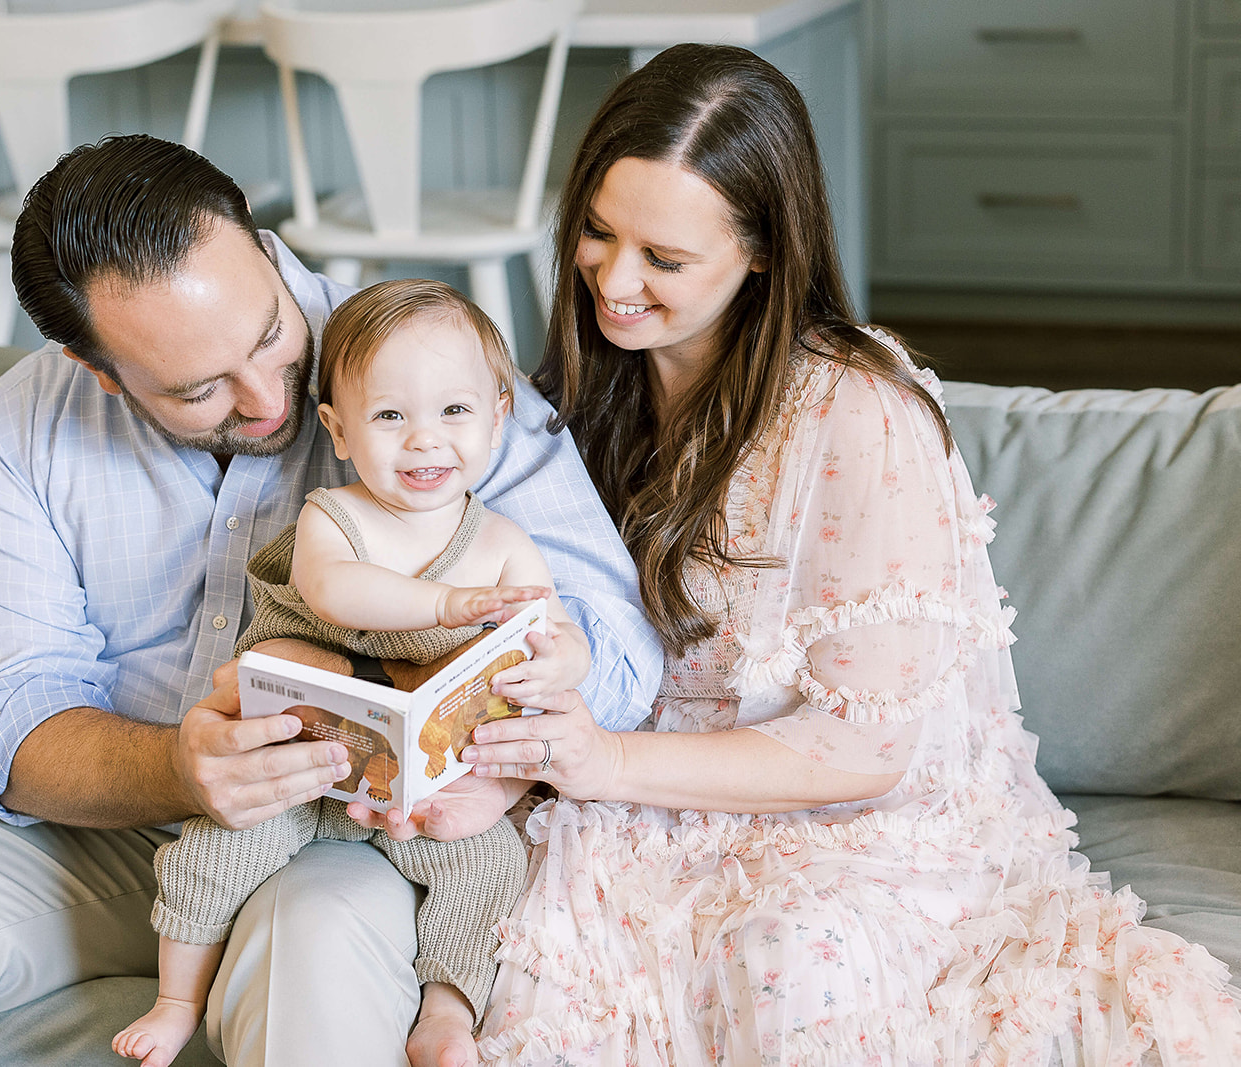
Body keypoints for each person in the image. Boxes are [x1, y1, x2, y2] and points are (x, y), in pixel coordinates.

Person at [0, 134, 665, 1067]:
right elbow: (6, 721)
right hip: (127, 825)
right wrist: (185, 769)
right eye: (201, 389)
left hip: (356, 835)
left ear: (260, 244)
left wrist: (495, 739)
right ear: (102, 371)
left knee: (314, 941)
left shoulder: (420, 370)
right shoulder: (19, 431)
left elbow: (622, 654)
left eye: (271, 334)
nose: (268, 399)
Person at [458, 44, 1241, 1065]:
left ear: (763, 252)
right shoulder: (578, 390)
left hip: (849, 821)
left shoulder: (858, 414)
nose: (613, 278)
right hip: (631, 800)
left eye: (665, 258)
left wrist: (603, 762)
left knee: (785, 956)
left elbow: (865, 750)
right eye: (598, 234)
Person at [114, 278, 592, 1067]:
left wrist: (559, 662)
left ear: (499, 413)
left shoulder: (504, 540)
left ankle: (446, 1012)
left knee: (491, 866)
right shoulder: (333, 518)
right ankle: (175, 1000)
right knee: (216, 845)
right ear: (338, 431)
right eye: (390, 416)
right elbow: (339, 591)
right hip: (303, 764)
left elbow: (560, 631)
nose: (424, 440)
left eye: (455, 411)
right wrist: (448, 603)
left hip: (420, 784)